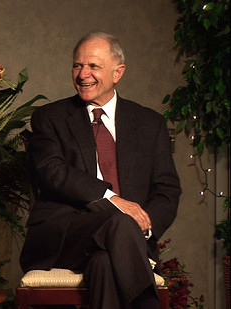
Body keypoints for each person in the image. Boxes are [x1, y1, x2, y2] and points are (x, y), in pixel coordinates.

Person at [20, 32, 181, 309]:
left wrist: (141, 227)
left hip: (123, 240)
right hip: (65, 234)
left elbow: (166, 190)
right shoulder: (50, 117)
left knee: (105, 262)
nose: (83, 74)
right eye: (77, 65)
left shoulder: (149, 123)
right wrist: (113, 200)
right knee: (119, 220)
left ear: (118, 72)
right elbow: (52, 171)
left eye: (93, 66)